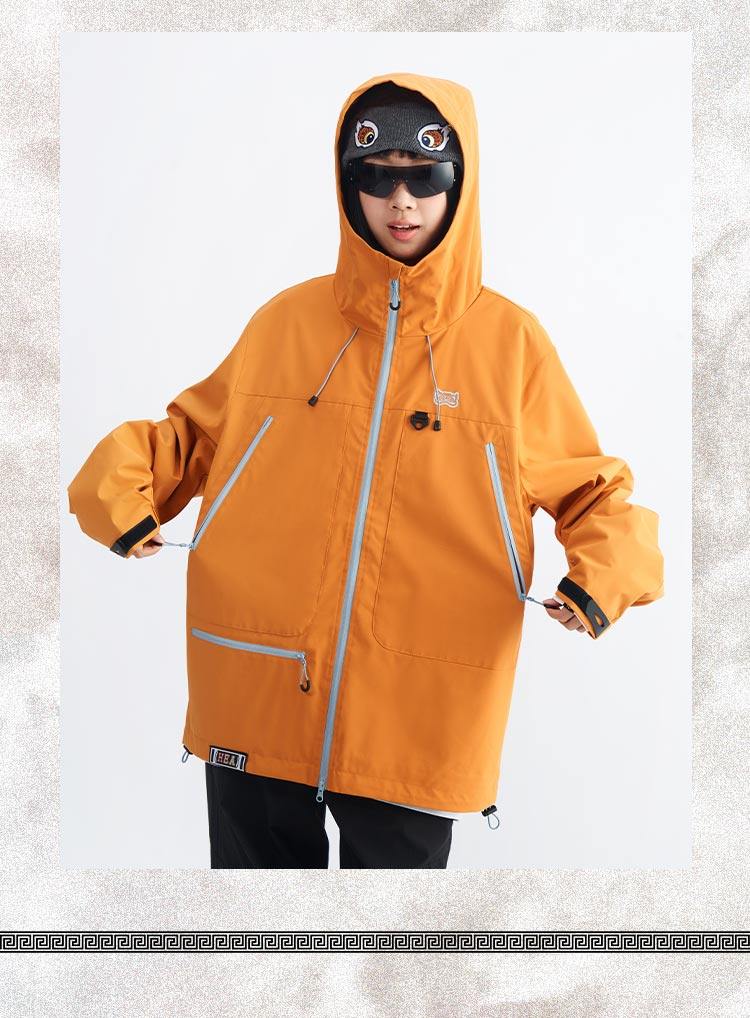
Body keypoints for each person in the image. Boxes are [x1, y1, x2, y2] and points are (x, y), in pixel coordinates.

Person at [67, 72, 665, 869]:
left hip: (418, 711)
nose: (401, 201)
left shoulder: (510, 346)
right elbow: (188, 438)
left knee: (391, 937)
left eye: (424, 177)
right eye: (376, 177)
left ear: (461, 182)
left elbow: (593, 488)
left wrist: (603, 578)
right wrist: (121, 493)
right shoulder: (285, 322)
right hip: (257, 680)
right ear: (348, 185)